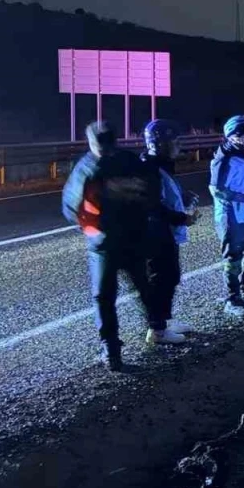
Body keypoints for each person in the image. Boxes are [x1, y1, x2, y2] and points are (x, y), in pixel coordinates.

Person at [62, 121, 161, 371]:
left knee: (107, 296)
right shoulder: (124, 162)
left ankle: (115, 349)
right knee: (137, 286)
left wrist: (93, 231)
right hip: (123, 239)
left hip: (109, 242)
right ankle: (151, 328)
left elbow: (71, 207)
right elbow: (151, 191)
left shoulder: (88, 166)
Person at [140, 119, 199, 348]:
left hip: (164, 232)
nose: (178, 146)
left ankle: (165, 320)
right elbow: (152, 206)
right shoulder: (149, 169)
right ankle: (156, 330)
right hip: (153, 233)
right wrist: (182, 218)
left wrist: (182, 196)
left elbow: (165, 193)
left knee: (170, 276)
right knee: (159, 279)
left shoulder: (160, 165)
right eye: (174, 141)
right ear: (160, 144)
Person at [210, 115, 244, 316]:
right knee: (232, 257)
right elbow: (216, 189)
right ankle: (233, 299)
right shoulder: (224, 159)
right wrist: (243, 197)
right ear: (234, 137)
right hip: (230, 216)